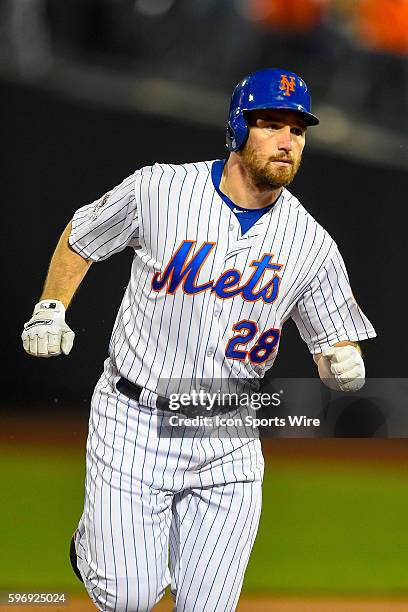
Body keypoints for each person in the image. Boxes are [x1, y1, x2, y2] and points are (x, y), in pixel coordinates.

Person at [21, 68, 376, 612]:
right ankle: (93, 550)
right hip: (134, 416)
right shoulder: (161, 188)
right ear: (237, 129)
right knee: (130, 599)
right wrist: (51, 307)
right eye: (271, 124)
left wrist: (342, 363)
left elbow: (335, 344)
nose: (287, 141)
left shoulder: (312, 243)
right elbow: (83, 233)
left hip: (228, 432)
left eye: (298, 130)